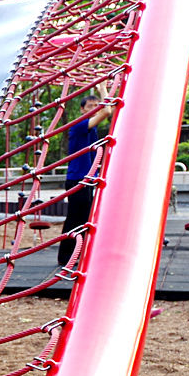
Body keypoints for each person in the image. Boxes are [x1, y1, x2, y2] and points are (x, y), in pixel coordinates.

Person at [56, 88, 114, 271]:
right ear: (82, 110)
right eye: (90, 106)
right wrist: (103, 88)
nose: (95, 109)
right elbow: (107, 111)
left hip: (87, 179)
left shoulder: (92, 129)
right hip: (77, 180)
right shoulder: (80, 125)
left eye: (96, 106)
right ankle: (66, 257)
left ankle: (76, 254)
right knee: (75, 219)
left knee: (84, 219)